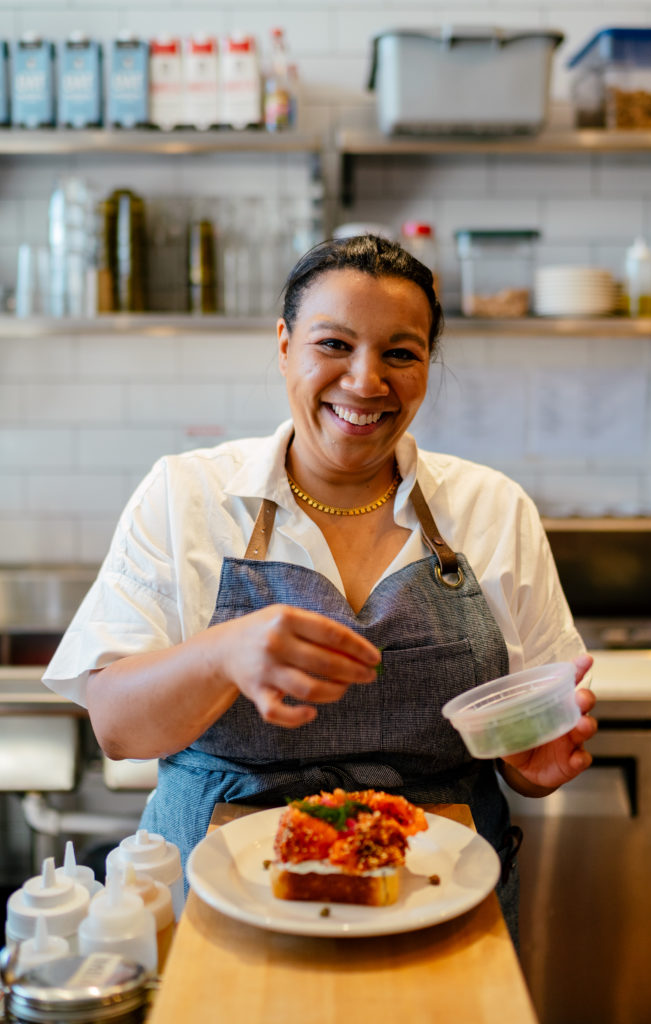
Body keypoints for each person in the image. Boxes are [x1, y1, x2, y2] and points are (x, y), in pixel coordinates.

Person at [43, 234, 596, 940]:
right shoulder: (188, 496)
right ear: (283, 346)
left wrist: (531, 767)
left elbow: (526, 737)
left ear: (427, 364)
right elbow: (117, 727)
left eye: (400, 352)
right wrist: (223, 653)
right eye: (333, 344)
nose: (366, 381)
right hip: (216, 890)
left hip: (435, 891)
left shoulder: (492, 509)